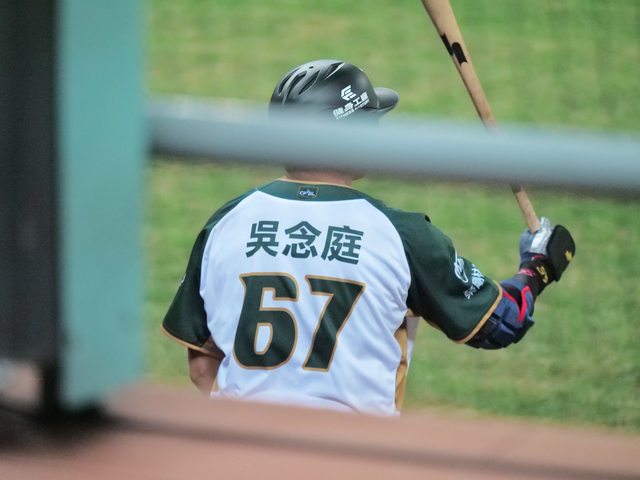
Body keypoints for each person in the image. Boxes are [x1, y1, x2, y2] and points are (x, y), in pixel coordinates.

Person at [161, 59, 575, 416]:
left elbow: (202, 365)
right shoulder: (400, 235)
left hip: (246, 452)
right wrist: (538, 266)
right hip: (352, 455)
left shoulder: (225, 224)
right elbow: (502, 322)